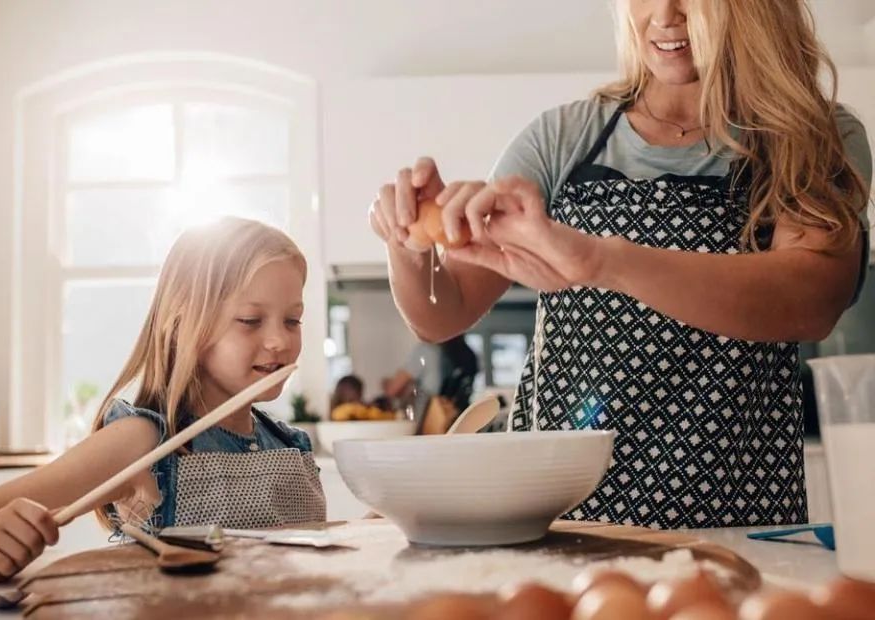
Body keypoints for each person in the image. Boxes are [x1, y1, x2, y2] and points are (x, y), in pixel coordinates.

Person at [370, 0, 872, 529]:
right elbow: (439, 314)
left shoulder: (812, 135)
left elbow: (809, 297)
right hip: (560, 517)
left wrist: (600, 260)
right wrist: (409, 248)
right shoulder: (566, 136)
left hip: (735, 518)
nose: (665, 15)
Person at [0, 218, 325, 581]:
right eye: (250, 321)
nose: (280, 341)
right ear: (182, 325)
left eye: (293, 320)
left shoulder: (289, 444)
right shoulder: (143, 442)